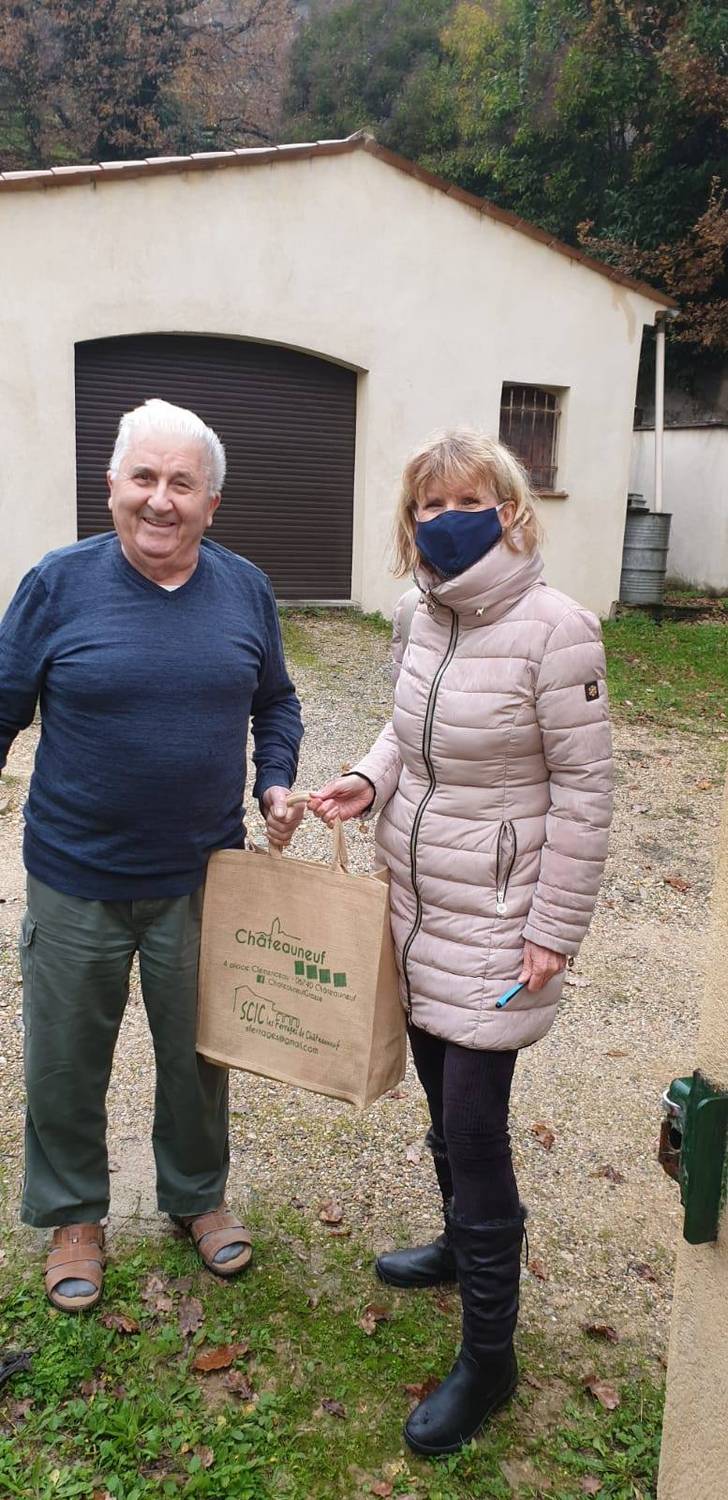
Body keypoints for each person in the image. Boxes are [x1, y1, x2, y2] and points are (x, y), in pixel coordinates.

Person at [309, 429, 614, 1456]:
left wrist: (552, 932)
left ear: (511, 508)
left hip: (500, 916)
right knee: (439, 1094)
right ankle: (452, 1244)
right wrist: (364, 778)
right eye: (427, 506)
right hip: (417, 901)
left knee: (477, 1130)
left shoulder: (556, 631)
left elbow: (583, 795)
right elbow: (405, 731)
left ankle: (489, 1355)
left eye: (465, 500)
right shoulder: (417, 615)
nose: (445, 521)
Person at [0, 398, 305, 1313]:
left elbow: (276, 703)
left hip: (201, 877)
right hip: (75, 876)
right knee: (64, 1058)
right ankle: (72, 1216)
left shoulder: (245, 588)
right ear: (112, 488)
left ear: (213, 503)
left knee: (200, 1053)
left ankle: (196, 1197)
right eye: (144, 478)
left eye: (182, 483)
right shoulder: (58, 584)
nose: (160, 500)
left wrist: (275, 783)